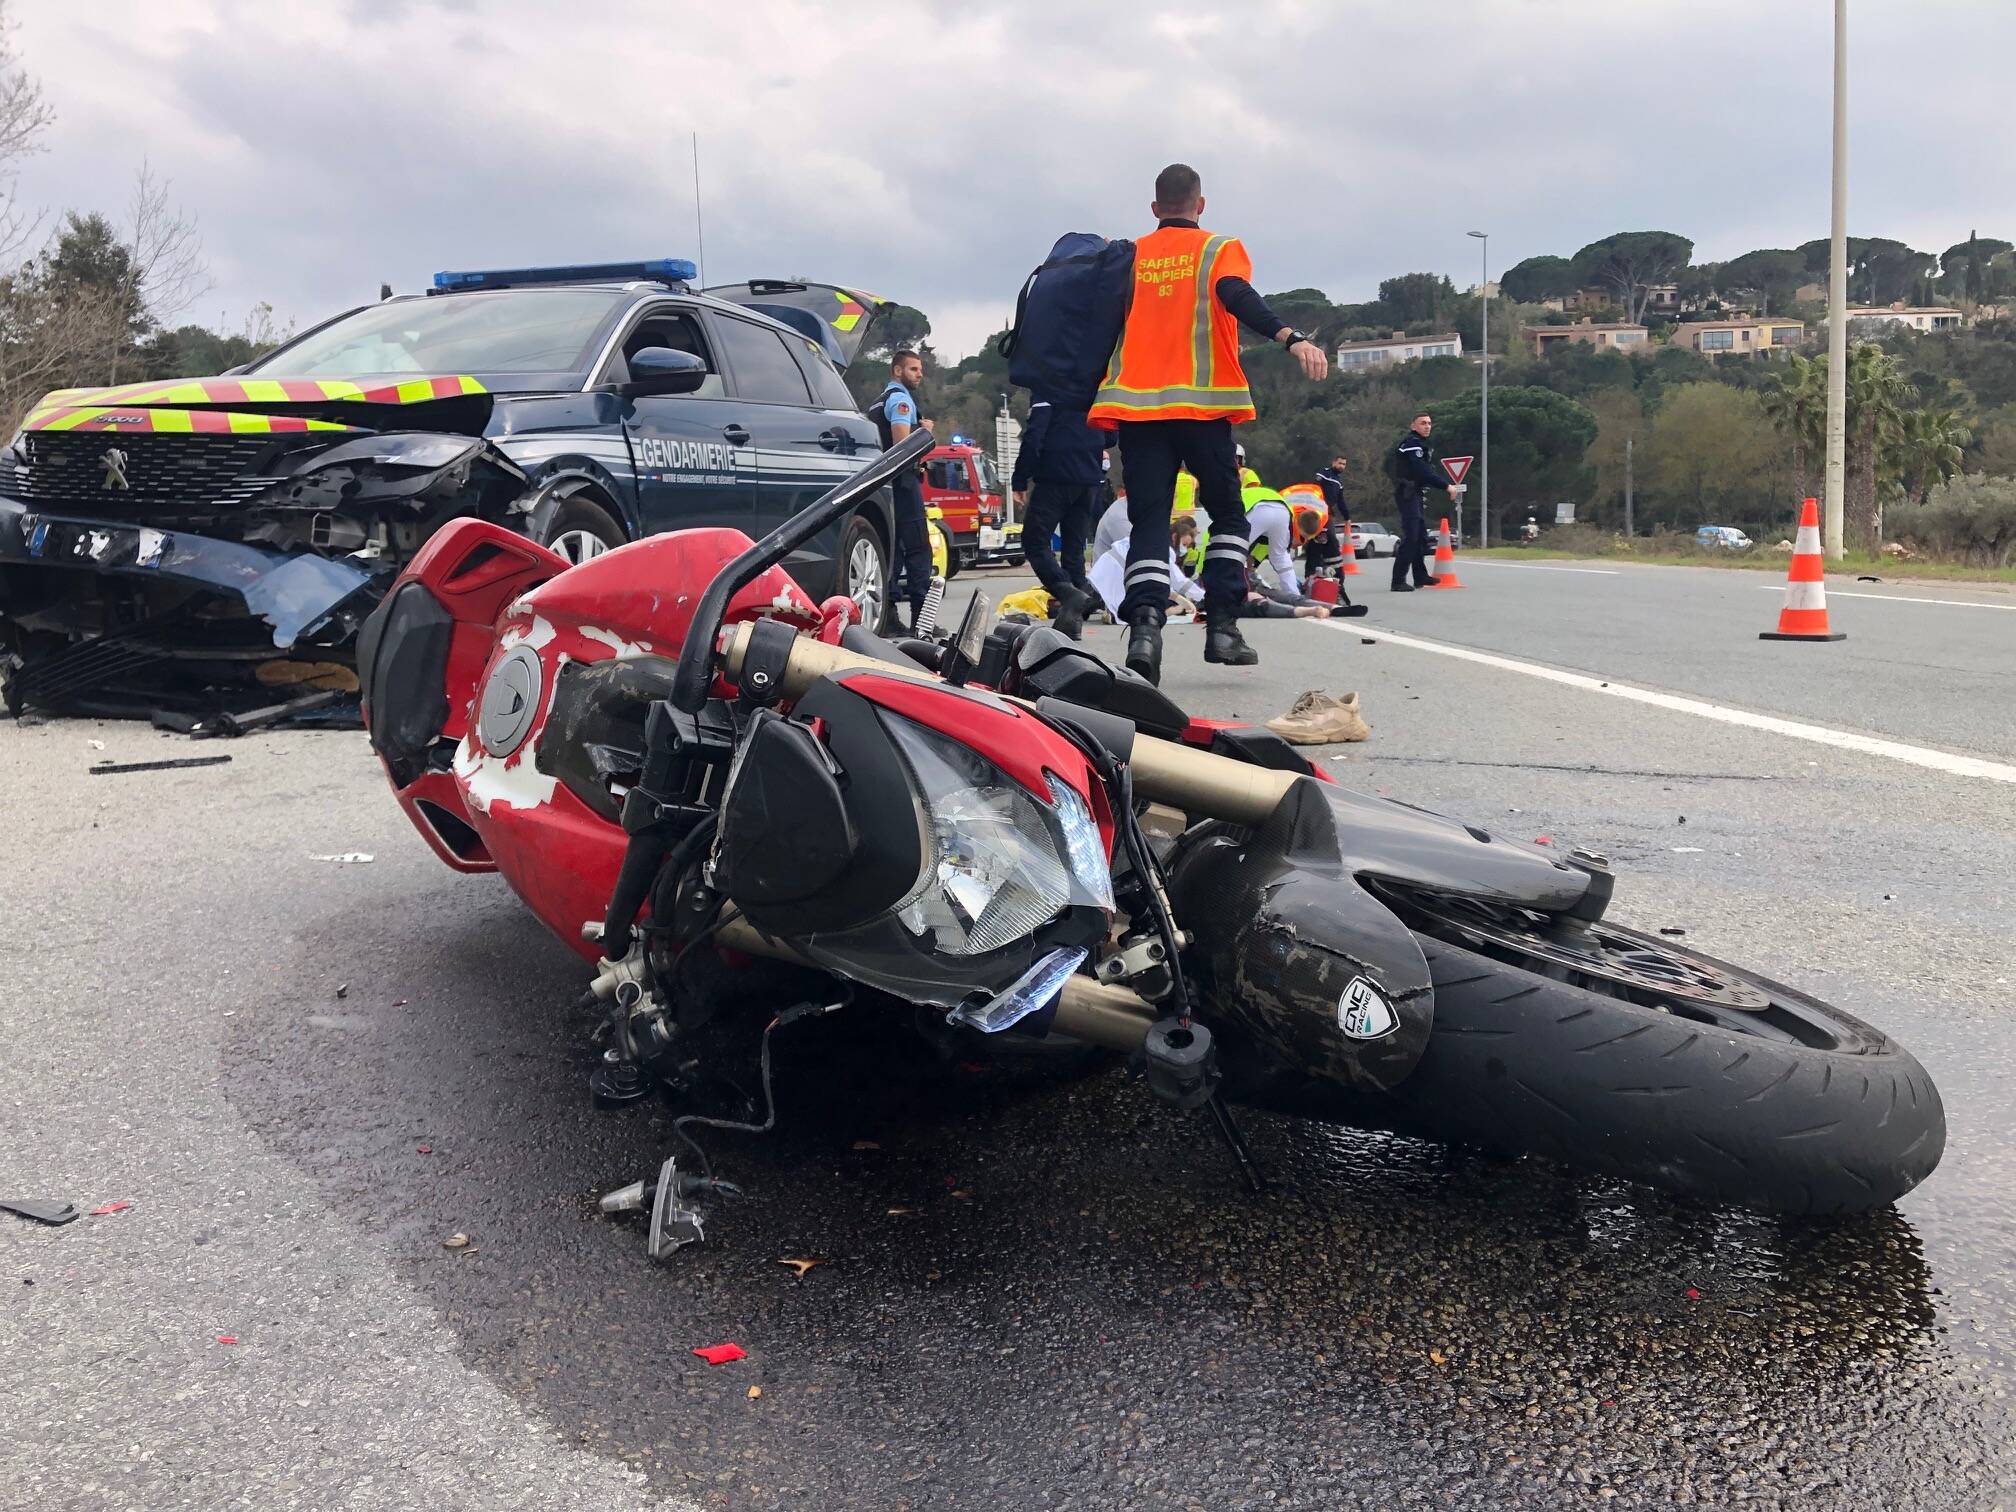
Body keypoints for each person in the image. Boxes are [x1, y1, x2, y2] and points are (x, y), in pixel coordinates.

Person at [1086, 162, 1329, 684]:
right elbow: (1237, 295)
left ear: (1155, 209)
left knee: (1149, 523)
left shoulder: (1130, 256)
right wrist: (1290, 337)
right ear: (1200, 205)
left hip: (1140, 412)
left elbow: (1098, 324)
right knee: (1229, 518)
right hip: (1203, 409)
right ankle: (1222, 627)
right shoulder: (1219, 249)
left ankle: (1145, 630)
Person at [1011, 395, 1105, 638]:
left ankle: (1068, 592)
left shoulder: (1047, 389)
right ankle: (1073, 618)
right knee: (1074, 549)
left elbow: (1034, 437)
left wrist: (1020, 478)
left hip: (1056, 476)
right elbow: (1111, 436)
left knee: (1035, 542)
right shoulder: (1091, 388)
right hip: (1090, 478)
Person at [867, 350, 936, 629]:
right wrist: (925, 434)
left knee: (892, 551)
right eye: (913, 369)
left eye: (920, 369)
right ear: (897, 371)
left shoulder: (876, 403)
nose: (920, 374)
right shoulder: (901, 400)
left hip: (881, 485)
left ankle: (888, 617)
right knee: (918, 550)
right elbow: (903, 449)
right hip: (903, 483)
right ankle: (922, 620)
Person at [1389, 411, 1458, 592]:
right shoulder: (1412, 444)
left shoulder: (1421, 444)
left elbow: (1425, 472)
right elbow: (1422, 471)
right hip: (1407, 492)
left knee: (1420, 537)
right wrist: (1446, 486)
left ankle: (1420, 576)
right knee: (1411, 536)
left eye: (1429, 423)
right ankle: (1398, 581)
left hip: (1415, 492)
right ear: (1413, 426)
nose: (1427, 426)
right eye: (1423, 423)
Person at [1307, 452, 1350, 576]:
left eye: (1344, 464)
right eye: (1340, 463)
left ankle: (1330, 573)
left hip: (1328, 513)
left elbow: (1341, 501)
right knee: (1320, 541)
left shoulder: (1339, 482)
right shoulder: (1324, 473)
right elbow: (1314, 488)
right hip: (1317, 511)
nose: (1342, 466)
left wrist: (1347, 517)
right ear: (1334, 462)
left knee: (1329, 541)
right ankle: (1312, 572)